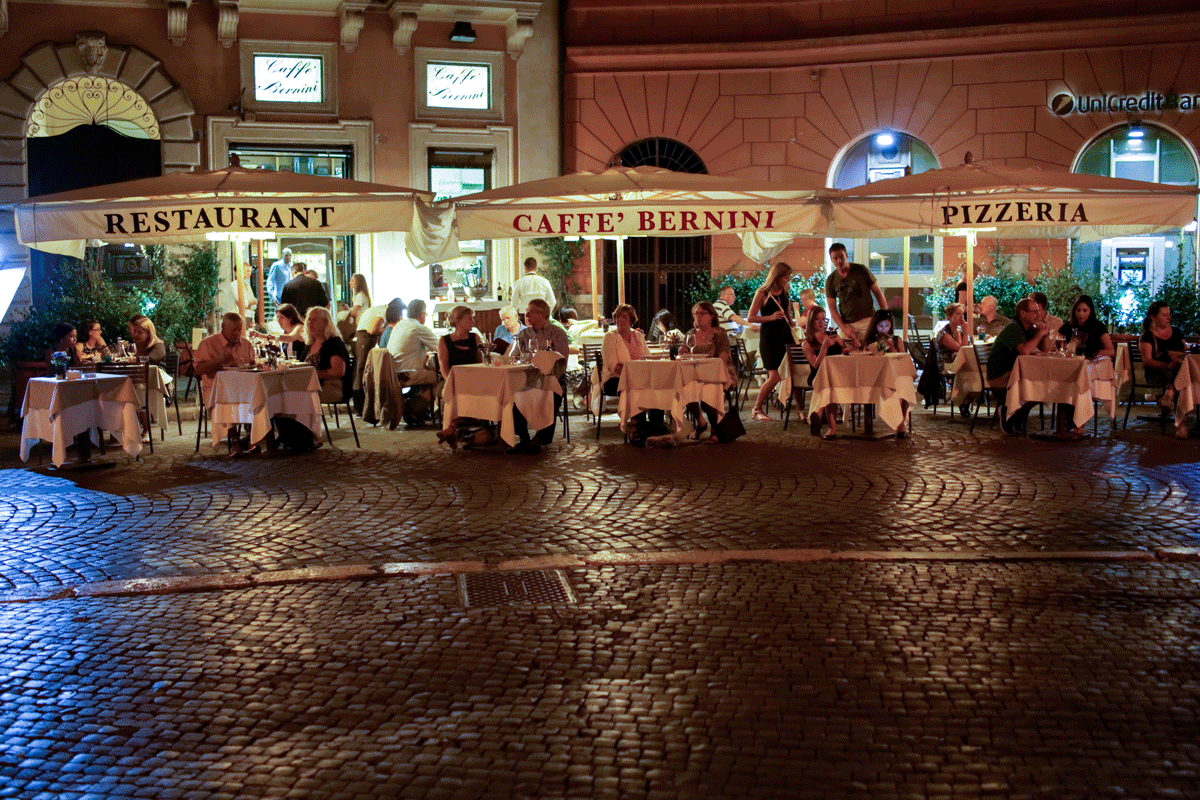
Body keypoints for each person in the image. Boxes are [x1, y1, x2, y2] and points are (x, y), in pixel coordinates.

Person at [511, 298, 569, 452]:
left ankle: (540, 439)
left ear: (542, 314)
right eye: (527, 311)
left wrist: (547, 378)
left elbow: (561, 361)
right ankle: (523, 438)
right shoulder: (524, 334)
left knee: (552, 395)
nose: (526, 315)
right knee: (512, 394)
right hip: (528, 378)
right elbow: (515, 357)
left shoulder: (557, 333)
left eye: (531, 312)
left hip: (553, 378)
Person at [986, 298, 1050, 434]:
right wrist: (1039, 334)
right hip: (1000, 375)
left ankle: (1018, 414)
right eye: (1034, 312)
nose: (1038, 315)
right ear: (1023, 313)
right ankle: (1009, 413)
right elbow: (1025, 350)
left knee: (1046, 382)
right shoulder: (1014, 328)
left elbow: (1045, 349)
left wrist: (1044, 334)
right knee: (1038, 383)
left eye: (1038, 311)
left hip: (1015, 372)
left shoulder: (1029, 328)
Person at [680, 301, 737, 442]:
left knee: (708, 389)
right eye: (696, 313)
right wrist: (682, 352)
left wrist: (705, 368)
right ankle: (701, 422)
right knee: (684, 388)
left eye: (702, 313)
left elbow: (722, 359)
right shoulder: (691, 334)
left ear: (711, 316)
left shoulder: (719, 333)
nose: (698, 316)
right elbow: (684, 356)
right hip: (695, 374)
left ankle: (716, 429)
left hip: (718, 373)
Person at [747, 260, 795, 421]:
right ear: (777, 276)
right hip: (770, 338)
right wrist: (771, 317)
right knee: (774, 376)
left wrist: (791, 321)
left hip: (785, 337)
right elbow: (751, 317)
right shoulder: (762, 293)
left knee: (793, 371)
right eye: (786, 277)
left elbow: (788, 314)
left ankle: (800, 410)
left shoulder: (785, 292)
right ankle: (756, 409)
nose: (788, 280)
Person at [435, 306, 487, 451]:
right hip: (450, 379)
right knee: (455, 388)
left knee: (463, 388)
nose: (473, 321)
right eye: (470, 318)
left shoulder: (474, 338)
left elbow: (481, 363)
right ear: (458, 321)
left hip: (473, 380)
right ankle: (452, 429)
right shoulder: (444, 340)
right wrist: (450, 381)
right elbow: (443, 366)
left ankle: (451, 428)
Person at [825, 242, 887, 348]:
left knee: (872, 350)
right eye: (835, 258)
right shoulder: (831, 280)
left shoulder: (861, 270)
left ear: (846, 255)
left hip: (867, 321)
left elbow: (877, 292)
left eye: (841, 257)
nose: (839, 261)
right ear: (831, 259)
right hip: (847, 324)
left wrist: (884, 316)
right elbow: (832, 308)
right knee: (846, 353)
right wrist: (843, 327)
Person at [388, 298, 439, 424]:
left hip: (393, 373)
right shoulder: (417, 327)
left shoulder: (400, 325)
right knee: (442, 378)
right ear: (421, 314)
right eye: (425, 314)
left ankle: (421, 409)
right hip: (406, 374)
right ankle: (413, 407)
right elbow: (441, 347)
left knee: (429, 373)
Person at [193, 312, 256, 404]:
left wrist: (254, 365)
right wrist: (218, 360)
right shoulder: (208, 343)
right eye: (233, 330)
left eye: (239, 330)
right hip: (217, 392)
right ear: (223, 327)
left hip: (243, 390)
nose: (237, 334)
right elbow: (197, 370)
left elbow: (254, 367)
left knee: (260, 399)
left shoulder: (246, 344)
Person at [801, 307, 844, 439]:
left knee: (830, 384)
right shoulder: (807, 343)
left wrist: (845, 347)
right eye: (817, 319)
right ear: (811, 321)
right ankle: (831, 428)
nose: (821, 322)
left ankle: (818, 413)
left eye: (823, 319)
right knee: (829, 386)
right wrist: (824, 347)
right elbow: (815, 364)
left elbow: (846, 352)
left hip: (837, 374)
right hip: (818, 375)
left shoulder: (833, 336)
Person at [1139, 300, 1186, 420]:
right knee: (1182, 374)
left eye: (1169, 314)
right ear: (1153, 317)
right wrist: (1168, 365)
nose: (1168, 318)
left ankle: (1168, 395)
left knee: (1183, 369)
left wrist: (1176, 356)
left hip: (1178, 369)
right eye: (1164, 315)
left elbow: (1185, 351)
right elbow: (1147, 361)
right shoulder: (1147, 336)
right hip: (1157, 373)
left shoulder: (1176, 332)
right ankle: (1181, 417)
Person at [303, 306, 349, 406]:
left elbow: (338, 371)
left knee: (294, 396)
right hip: (311, 385)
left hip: (330, 387)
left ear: (326, 323)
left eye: (314, 320)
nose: (310, 323)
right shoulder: (309, 343)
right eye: (309, 320)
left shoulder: (334, 343)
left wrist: (312, 373)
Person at [935, 303, 972, 418]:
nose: (961, 317)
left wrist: (964, 333)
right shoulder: (944, 333)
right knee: (968, 371)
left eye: (963, 314)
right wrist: (966, 332)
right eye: (958, 314)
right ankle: (962, 401)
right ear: (949, 316)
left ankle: (965, 401)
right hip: (947, 365)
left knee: (973, 371)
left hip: (958, 362)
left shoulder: (958, 331)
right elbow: (962, 349)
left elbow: (964, 349)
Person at [350, 300, 387, 412]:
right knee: (362, 369)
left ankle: (361, 405)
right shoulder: (384, 310)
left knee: (360, 368)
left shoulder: (378, 309)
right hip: (365, 336)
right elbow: (373, 330)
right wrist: (387, 330)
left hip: (362, 335)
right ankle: (361, 405)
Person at [1060, 295, 1114, 362]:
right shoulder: (1068, 326)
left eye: (1085, 311)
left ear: (1090, 311)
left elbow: (1111, 351)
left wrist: (1093, 353)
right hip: (1069, 362)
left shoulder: (1098, 326)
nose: (1081, 314)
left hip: (1092, 363)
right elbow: (1056, 345)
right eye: (1078, 310)